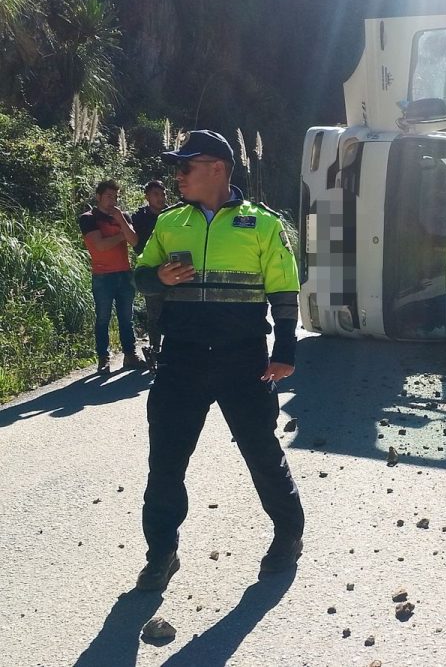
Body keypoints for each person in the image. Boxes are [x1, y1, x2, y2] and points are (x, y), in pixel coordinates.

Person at [133, 130, 304, 590]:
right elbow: (141, 275)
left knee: (261, 454)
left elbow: (284, 291)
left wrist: (285, 350)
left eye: (186, 166)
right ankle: (161, 553)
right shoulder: (169, 223)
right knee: (165, 461)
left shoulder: (263, 224)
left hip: (242, 361)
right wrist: (159, 277)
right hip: (180, 361)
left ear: (217, 168)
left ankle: (288, 534)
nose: (178, 175)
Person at [79, 180, 144, 373]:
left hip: (124, 273)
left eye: (115, 197)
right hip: (102, 276)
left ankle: (130, 355)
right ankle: (103, 358)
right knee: (102, 318)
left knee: (127, 317)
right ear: (98, 197)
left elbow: (134, 241)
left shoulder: (122, 216)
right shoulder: (88, 218)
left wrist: (122, 222)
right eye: (109, 196)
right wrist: (122, 235)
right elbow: (100, 245)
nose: (113, 201)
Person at [130, 180, 168, 370]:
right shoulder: (139, 217)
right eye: (156, 194)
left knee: (176, 310)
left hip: (173, 267)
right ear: (147, 196)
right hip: (151, 271)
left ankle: (173, 351)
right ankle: (155, 350)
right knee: (154, 314)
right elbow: (135, 243)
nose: (160, 198)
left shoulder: (174, 213)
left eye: (163, 194)